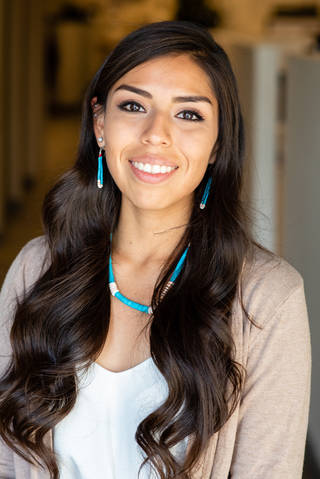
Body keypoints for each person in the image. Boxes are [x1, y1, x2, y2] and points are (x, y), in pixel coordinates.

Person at [0, 21, 311, 479]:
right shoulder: (38, 266)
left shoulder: (267, 299)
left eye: (189, 114)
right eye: (133, 105)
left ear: (217, 144)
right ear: (100, 124)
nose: (155, 134)